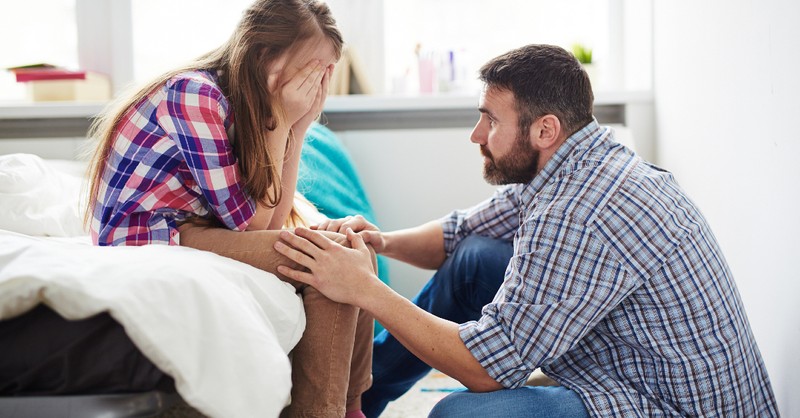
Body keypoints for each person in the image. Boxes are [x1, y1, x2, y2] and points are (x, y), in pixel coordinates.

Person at [273, 44, 779, 417]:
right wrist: (380, 242)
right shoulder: (576, 163)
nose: (476, 136)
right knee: (473, 258)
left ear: (545, 130)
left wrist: (363, 287)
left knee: (455, 414)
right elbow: (459, 233)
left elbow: (488, 369)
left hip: (667, 404)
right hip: (635, 357)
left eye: (490, 121)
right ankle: (357, 402)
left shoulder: (578, 211)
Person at [85, 1, 373, 417]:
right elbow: (250, 223)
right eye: (311, 70)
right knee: (327, 262)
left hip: (192, 226)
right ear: (264, 56)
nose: (315, 86)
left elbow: (271, 219)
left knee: (352, 247)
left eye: (325, 74)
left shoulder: (245, 102)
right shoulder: (195, 94)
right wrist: (282, 120)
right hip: (150, 233)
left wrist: (299, 124)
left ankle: (353, 408)